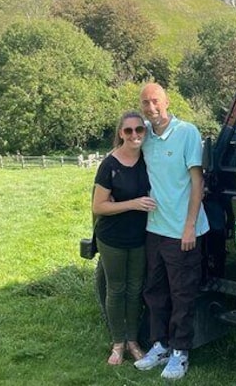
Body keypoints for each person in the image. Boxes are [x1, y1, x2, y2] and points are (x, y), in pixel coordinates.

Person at [133, 82, 209, 381]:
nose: (151, 108)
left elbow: (197, 182)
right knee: (155, 291)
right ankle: (161, 344)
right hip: (156, 227)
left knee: (182, 293)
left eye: (155, 102)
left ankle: (180, 352)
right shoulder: (145, 137)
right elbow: (123, 150)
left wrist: (189, 226)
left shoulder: (187, 132)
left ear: (167, 102)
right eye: (145, 104)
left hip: (183, 230)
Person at [91, 111, 157, 365]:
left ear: (144, 132)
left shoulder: (148, 160)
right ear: (121, 133)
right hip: (113, 238)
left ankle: (133, 341)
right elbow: (99, 206)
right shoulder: (110, 165)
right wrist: (133, 204)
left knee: (135, 290)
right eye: (128, 131)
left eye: (139, 130)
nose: (134, 135)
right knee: (116, 289)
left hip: (140, 237)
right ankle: (117, 343)